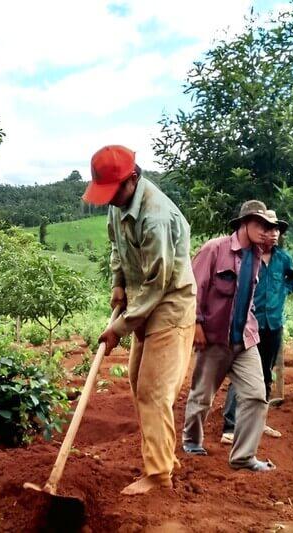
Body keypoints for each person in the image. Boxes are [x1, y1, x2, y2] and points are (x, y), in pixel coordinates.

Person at [84, 145, 197, 495]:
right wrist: (118, 284)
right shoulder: (118, 208)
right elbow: (118, 248)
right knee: (137, 382)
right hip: (141, 302)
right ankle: (164, 457)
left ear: (133, 179)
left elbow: (158, 283)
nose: (109, 200)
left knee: (153, 390)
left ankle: (159, 474)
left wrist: (118, 328)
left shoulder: (156, 216)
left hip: (168, 303)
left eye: (114, 191)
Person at [181, 200, 276, 472]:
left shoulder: (257, 256)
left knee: (257, 396)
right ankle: (191, 441)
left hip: (245, 339)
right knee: (202, 396)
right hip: (214, 337)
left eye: (269, 226)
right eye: (261, 224)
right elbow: (192, 289)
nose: (265, 230)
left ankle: (243, 457)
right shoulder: (214, 249)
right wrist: (196, 324)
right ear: (244, 223)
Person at [221, 214, 293, 445]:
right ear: (260, 232)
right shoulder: (246, 257)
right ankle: (230, 426)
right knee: (242, 374)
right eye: (270, 229)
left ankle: (259, 421)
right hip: (249, 324)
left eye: (278, 230)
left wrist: (285, 289)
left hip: (274, 323)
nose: (275, 234)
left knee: (265, 373)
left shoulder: (283, 259)